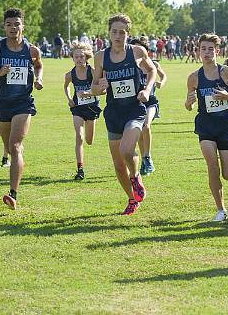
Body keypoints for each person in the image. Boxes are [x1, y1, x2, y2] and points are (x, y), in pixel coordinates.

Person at [0, 8, 44, 210]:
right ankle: (18, 159)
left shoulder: (32, 50)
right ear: (4, 27)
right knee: (11, 149)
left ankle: (13, 193)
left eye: (17, 24)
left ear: (23, 26)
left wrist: (39, 78)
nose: (13, 28)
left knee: (14, 145)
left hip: (23, 102)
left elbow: (38, 65)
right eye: (9, 25)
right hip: (2, 102)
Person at [90, 14, 156, 215]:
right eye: (114, 31)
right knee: (119, 166)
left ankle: (136, 176)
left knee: (127, 150)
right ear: (109, 33)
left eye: (122, 32)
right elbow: (94, 88)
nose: (118, 36)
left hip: (134, 110)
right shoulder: (101, 56)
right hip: (113, 113)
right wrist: (100, 87)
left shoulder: (136, 52)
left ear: (128, 34)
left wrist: (146, 90)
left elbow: (152, 71)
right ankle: (131, 198)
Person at [185, 34, 228, 221]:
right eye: (203, 49)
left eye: (210, 49)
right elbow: (189, 106)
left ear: (217, 51)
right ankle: (221, 209)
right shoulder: (193, 78)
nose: (206, 52)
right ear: (198, 52)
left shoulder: (226, 72)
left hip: (224, 125)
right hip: (205, 125)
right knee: (212, 166)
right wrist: (189, 102)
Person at [63, 42, 101, 181]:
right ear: (72, 58)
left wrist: (89, 92)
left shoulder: (92, 71)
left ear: (86, 57)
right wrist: (69, 98)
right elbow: (66, 87)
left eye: (82, 56)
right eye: (76, 57)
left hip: (91, 107)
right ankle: (80, 169)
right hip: (77, 108)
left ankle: (82, 163)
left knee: (89, 140)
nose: (79, 59)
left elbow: (102, 90)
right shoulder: (70, 74)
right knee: (79, 136)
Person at [131, 37, 167, 176]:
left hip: (151, 101)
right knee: (139, 132)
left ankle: (147, 156)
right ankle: (144, 160)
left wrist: (160, 83)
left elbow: (164, 76)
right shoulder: (131, 67)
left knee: (146, 126)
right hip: (136, 102)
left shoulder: (154, 64)